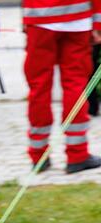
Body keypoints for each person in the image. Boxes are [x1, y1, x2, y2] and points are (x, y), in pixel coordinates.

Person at [22, 0, 101, 173]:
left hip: (39, 19)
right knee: (75, 85)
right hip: (77, 20)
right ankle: (77, 154)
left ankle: (38, 155)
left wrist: (25, 19)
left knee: (38, 88)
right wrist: (97, 23)